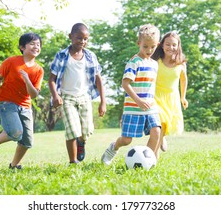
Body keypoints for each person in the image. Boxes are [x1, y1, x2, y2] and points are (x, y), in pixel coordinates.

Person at [101, 24, 161, 165]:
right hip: (133, 108)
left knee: (156, 132)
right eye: (145, 46)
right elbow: (125, 84)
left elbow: (151, 87)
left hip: (150, 107)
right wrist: (138, 101)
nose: (149, 50)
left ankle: (148, 162)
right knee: (127, 140)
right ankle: (113, 148)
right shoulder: (133, 62)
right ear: (139, 43)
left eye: (152, 47)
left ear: (157, 45)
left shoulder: (154, 64)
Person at [0, 33, 44, 169]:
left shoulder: (39, 70)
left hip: (25, 106)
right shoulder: (11, 61)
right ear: (22, 47)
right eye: (32, 44)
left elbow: (34, 94)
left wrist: (27, 79)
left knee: (27, 141)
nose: (36, 47)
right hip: (7, 102)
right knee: (16, 132)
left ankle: (14, 165)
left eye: (38, 44)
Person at [48, 23, 106, 164]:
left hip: (85, 97)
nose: (82, 41)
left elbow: (98, 79)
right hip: (66, 98)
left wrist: (103, 102)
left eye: (85, 39)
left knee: (86, 130)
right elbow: (51, 80)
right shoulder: (61, 56)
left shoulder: (90, 56)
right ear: (70, 37)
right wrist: (55, 95)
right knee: (72, 130)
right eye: (79, 38)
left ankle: (82, 142)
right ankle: (73, 161)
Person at [151, 31, 188, 152]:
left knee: (166, 123)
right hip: (156, 96)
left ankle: (162, 138)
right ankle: (154, 152)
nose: (170, 47)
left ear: (178, 46)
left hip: (172, 97)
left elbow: (183, 80)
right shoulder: (156, 60)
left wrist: (183, 97)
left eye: (174, 45)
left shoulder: (181, 63)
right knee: (160, 121)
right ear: (162, 45)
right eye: (167, 44)